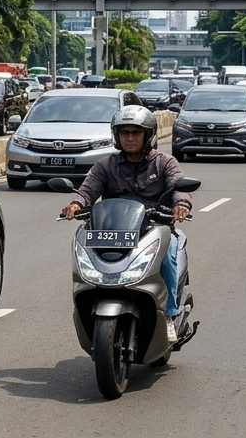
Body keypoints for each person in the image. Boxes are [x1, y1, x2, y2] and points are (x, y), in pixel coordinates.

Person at [60, 105, 192, 343]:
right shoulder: (106, 165)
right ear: (117, 136)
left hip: (154, 230)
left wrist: (181, 204)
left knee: (169, 257)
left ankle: (170, 314)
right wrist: (76, 204)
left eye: (136, 132)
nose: (130, 138)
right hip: (113, 230)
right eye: (125, 133)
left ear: (148, 135)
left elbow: (178, 186)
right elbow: (88, 188)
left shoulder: (165, 163)